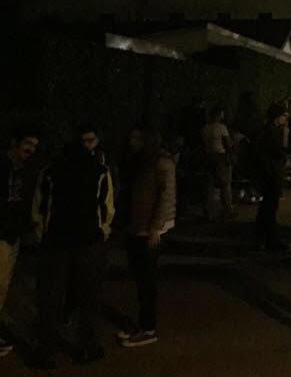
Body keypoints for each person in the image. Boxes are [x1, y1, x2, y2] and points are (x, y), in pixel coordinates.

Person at [32, 123, 115, 368]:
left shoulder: (51, 169)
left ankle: (45, 352)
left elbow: (39, 204)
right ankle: (86, 348)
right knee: (89, 299)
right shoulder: (100, 170)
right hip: (89, 242)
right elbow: (107, 206)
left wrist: (41, 233)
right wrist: (103, 231)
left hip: (56, 241)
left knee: (51, 298)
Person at [117, 127, 177, 348]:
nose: (132, 142)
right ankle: (143, 323)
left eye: (138, 138)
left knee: (147, 280)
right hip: (137, 225)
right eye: (131, 138)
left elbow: (166, 196)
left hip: (149, 228)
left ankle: (148, 328)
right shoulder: (139, 161)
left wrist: (155, 228)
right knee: (140, 277)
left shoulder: (162, 163)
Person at [0, 127, 40, 358]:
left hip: (12, 236)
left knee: (3, 285)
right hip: (2, 235)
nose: (31, 149)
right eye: (27, 143)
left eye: (34, 146)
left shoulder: (25, 171)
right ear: (14, 142)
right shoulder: (3, 166)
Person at [254, 104, 289, 251]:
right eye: (284, 116)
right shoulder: (271, 132)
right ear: (277, 117)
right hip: (271, 174)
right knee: (270, 207)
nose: (285, 118)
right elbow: (277, 151)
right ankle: (270, 239)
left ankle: (262, 238)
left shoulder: (267, 130)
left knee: (267, 207)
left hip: (269, 173)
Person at [200, 106, 234, 220]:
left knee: (209, 184)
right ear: (219, 115)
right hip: (220, 156)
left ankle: (208, 211)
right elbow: (227, 143)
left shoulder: (205, 128)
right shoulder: (221, 127)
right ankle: (227, 210)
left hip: (208, 156)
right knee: (225, 183)